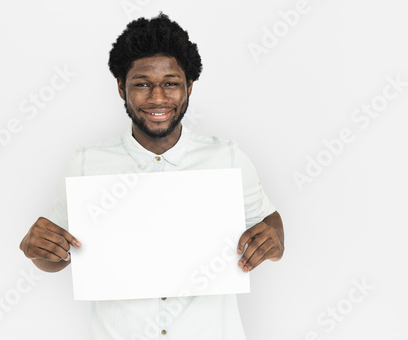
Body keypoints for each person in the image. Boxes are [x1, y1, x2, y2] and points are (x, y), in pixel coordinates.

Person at [20, 12, 284, 340]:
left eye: (170, 83)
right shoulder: (86, 164)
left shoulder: (228, 158)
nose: (157, 98)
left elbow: (270, 223)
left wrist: (273, 242)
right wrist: (39, 250)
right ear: (121, 87)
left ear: (188, 86)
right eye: (142, 84)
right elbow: (59, 256)